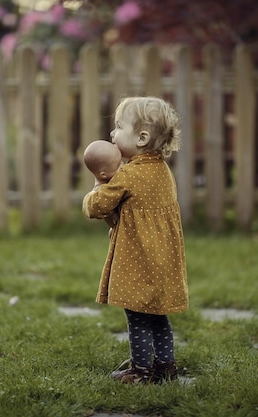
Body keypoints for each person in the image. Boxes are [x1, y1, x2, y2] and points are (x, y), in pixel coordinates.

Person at [82, 96, 189, 384]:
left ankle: (141, 372)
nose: (112, 134)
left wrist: (94, 189)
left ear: (141, 138)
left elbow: (97, 207)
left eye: (118, 127)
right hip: (164, 258)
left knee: (138, 315)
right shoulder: (163, 172)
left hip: (138, 259)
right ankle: (166, 367)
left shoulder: (127, 176)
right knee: (158, 315)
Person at [83, 140, 122, 231]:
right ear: (103, 174)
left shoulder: (113, 177)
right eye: (118, 165)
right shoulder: (100, 191)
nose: (123, 166)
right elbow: (100, 208)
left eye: (122, 161)